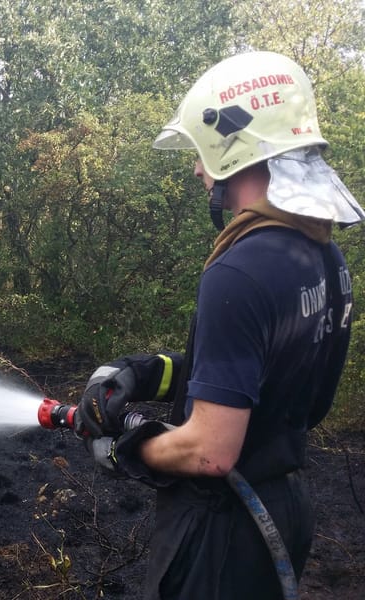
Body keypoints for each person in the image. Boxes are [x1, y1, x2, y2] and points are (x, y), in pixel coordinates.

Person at [75, 51, 364, 600]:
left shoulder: (240, 270)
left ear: (231, 146)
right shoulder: (323, 256)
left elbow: (210, 452)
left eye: (201, 156)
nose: (197, 170)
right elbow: (267, 376)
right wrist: (144, 374)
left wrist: (126, 449)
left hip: (221, 532)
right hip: (282, 510)